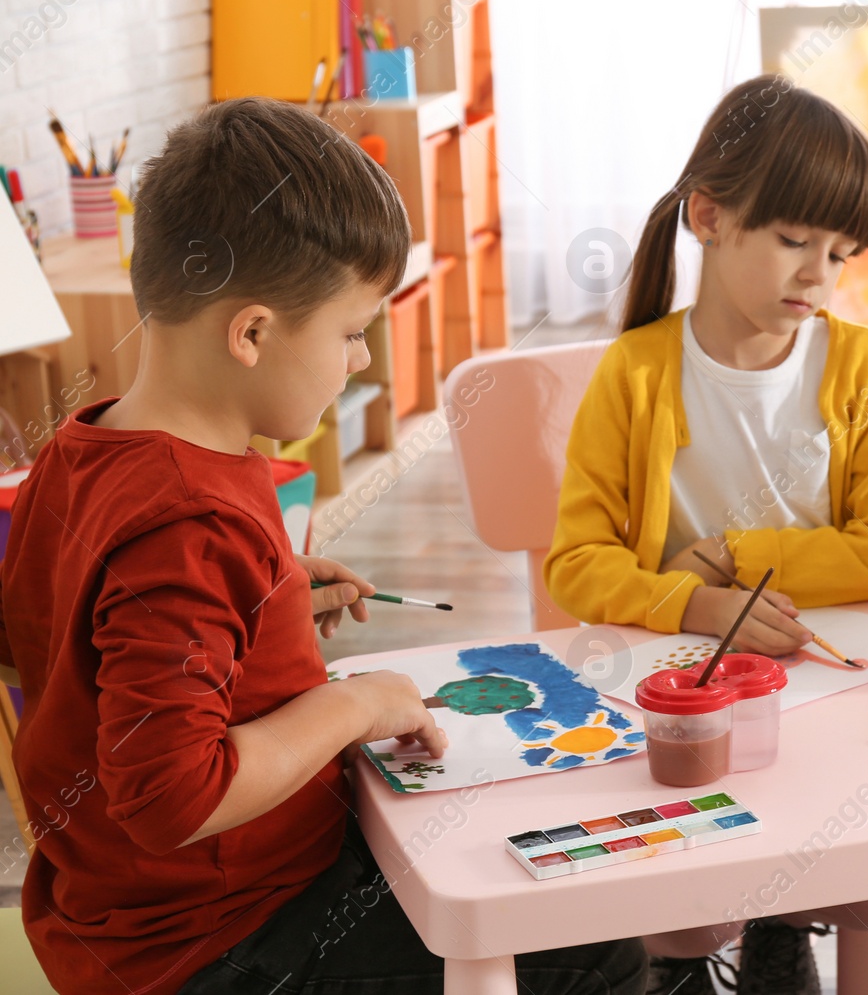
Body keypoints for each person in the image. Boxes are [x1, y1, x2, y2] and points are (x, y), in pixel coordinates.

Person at [0, 97, 646, 995]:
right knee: (600, 950)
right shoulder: (190, 526)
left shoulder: (81, 450)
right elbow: (171, 799)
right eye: (350, 333)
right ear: (254, 332)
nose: (363, 363)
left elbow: (67, 624)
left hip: (150, 904)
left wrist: (257, 607)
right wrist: (356, 705)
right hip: (215, 944)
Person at [546, 74, 868, 995]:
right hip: (682, 697)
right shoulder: (635, 375)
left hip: (825, 687)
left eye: (840, 252)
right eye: (795, 240)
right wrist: (694, 600)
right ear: (708, 218)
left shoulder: (862, 371)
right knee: (677, 902)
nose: (818, 275)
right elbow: (577, 563)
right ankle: (717, 956)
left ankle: (780, 936)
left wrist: (736, 560)